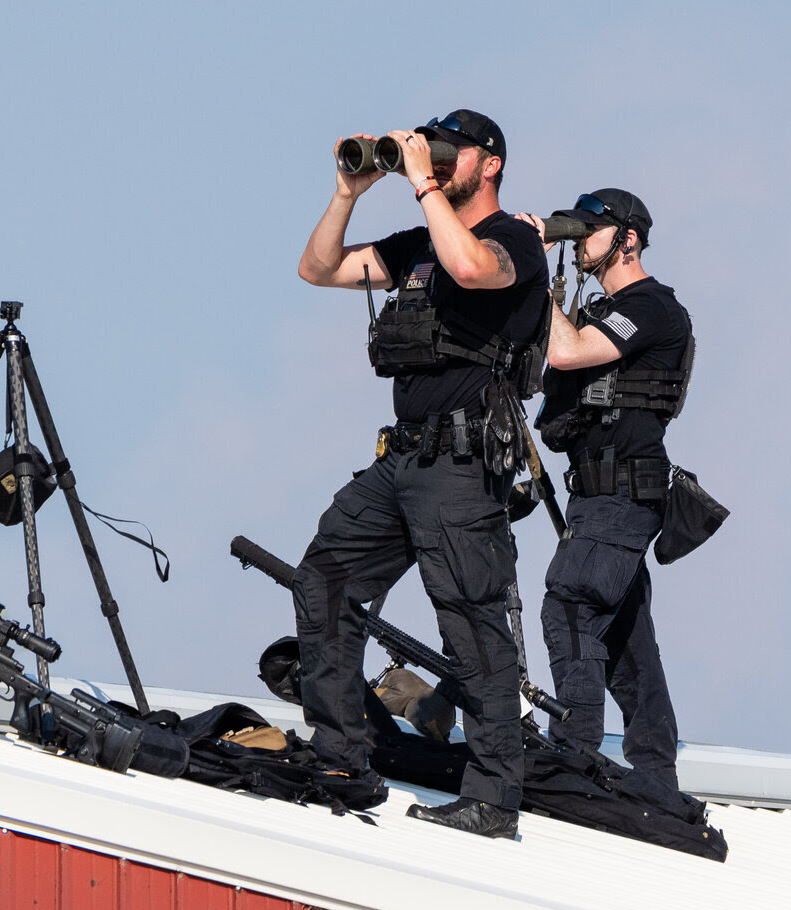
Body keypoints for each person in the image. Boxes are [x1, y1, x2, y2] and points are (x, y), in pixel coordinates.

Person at [292, 109, 548, 839]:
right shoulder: (416, 247)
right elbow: (317, 269)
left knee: (470, 620)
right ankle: (340, 754)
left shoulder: (513, 243)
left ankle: (494, 797)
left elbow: (470, 267)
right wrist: (349, 191)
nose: (435, 160)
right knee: (325, 577)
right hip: (401, 458)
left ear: (489, 164)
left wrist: (420, 186)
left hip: (463, 467)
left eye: (452, 152)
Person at [517, 190, 693, 790]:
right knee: (623, 634)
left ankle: (573, 748)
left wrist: (533, 265)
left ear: (628, 239)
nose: (581, 239)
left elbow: (567, 351)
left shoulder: (650, 307)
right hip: (594, 497)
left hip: (623, 493)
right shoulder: (593, 311)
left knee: (570, 604)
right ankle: (655, 773)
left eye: (593, 229)